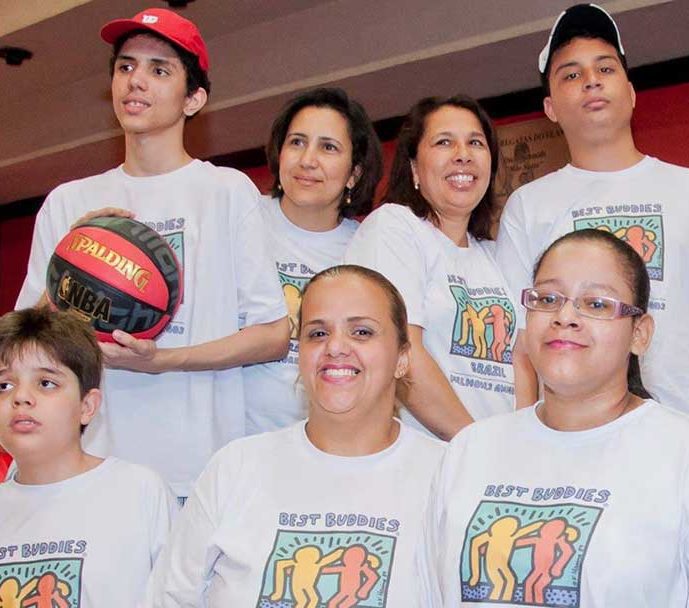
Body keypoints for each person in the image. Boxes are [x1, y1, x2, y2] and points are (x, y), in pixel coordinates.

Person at [419, 229, 689, 607]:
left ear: (640, 334)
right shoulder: (470, 450)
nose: (565, 316)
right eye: (547, 299)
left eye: (596, 304)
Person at [14, 8, 289, 498]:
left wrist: (162, 360)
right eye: (125, 66)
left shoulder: (227, 191)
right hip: (93, 467)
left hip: (201, 472)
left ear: (194, 98)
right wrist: (65, 270)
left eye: (159, 70)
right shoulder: (69, 202)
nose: (136, 80)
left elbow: (272, 336)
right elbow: (26, 344)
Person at [494, 4, 689, 462]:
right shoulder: (529, 206)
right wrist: (525, 443)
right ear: (550, 109)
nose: (592, 81)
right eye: (571, 75)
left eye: (606, 68)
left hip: (684, 445)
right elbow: (521, 344)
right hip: (569, 448)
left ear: (632, 92)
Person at [146, 265, 445, 607]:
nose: (335, 347)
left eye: (361, 332)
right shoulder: (235, 468)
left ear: (403, 359)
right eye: (317, 334)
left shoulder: (445, 476)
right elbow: (168, 599)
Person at [344, 95, 516, 440]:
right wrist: (477, 446)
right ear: (414, 168)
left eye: (476, 143)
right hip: (425, 461)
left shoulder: (495, 254)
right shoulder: (394, 227)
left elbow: (525, 359)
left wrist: (517, 445)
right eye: (444, 142)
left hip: (497, 463)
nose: (463, 154)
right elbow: (401, 351)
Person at [0, 307, 174, 607]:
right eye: (4, 385)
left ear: (87, 406)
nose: (21, 397)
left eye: (46, 383)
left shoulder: (138, 491)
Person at [243, 87, 382, 434]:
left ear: (354, 173)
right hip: (233, 444)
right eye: (297, 142)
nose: (308, 160)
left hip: (327, 445)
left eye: (328, 147)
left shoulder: (369, 247)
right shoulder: (242, 218)